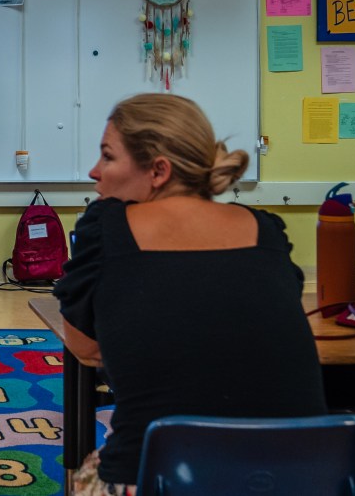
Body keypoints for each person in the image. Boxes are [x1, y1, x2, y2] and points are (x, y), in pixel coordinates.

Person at [53, 93, 326, 495]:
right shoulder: (266, 230)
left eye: (108, 157)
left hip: (162, 477)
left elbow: (85, 348)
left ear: (158, 171)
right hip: (305, 478)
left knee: (86, 473)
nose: (95, 171)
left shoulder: (106, 227)